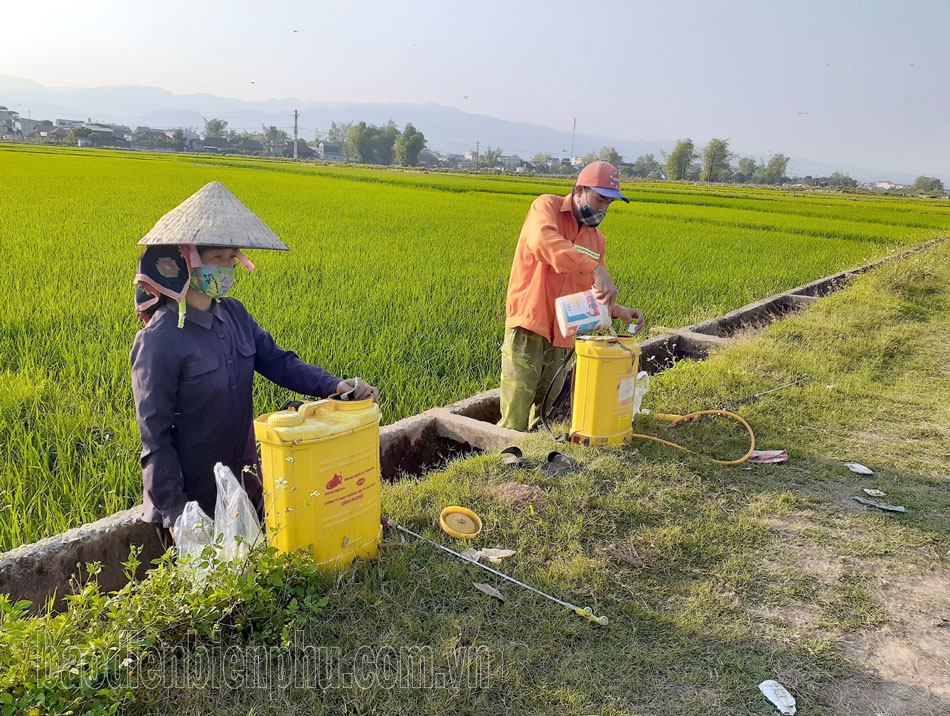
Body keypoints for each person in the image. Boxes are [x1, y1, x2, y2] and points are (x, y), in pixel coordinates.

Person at [130, 181, 378, 545]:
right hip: (194, 501)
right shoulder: (159, 340)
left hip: (244, 481)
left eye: (232, 258)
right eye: (218, 259)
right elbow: (155, 437)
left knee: (258, 579)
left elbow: (278, 362)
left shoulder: (234, 315)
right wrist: (176, 512)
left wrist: (335, 385)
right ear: (185, 263)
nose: (229, 268)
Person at [498, 161, 645, 432]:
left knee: (546, 407)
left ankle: (537, 458)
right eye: (600, 198)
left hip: (565, 332)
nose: (603, 208)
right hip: (530, 322)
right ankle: (506, 458)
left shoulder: (596, 240)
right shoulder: (546, 208)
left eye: (609, 203)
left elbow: (590, 290)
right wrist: (595, 268)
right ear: (580, 190)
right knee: (518, 403)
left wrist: (616, 310)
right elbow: (543, 242)